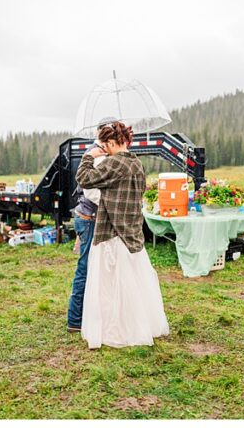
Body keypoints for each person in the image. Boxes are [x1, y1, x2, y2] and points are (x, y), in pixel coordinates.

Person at [76, 121, 169, 349]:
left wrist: (89, 156)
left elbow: (83, 178)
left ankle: (119, 330)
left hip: (112, 231)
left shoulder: (115, 163)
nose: (104, 149)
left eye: (104, 144)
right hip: (132, 231)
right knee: (134, 284)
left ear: (110, 142)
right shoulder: (136, 163)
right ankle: (138, 325)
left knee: (111, 286)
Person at [66, 116, 117, 333]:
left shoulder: (102, 154)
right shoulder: (94, 155)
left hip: (91, 217)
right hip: (90, 218)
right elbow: (92, 192)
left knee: (95, 267)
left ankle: (90, 314)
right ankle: (75, 320)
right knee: (86, 267)